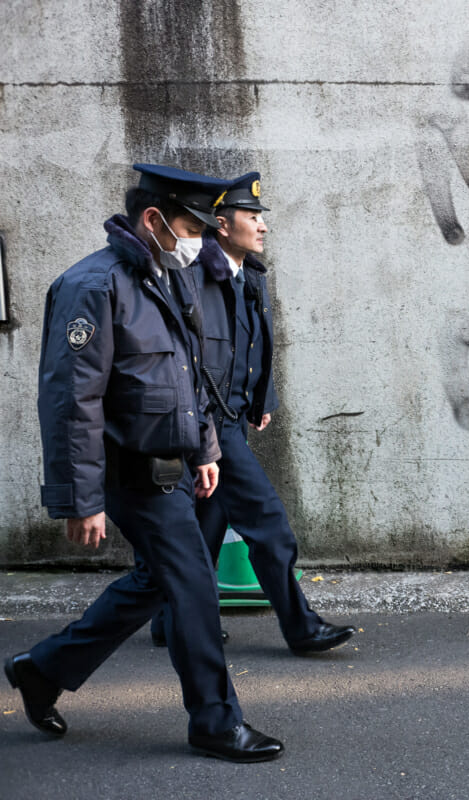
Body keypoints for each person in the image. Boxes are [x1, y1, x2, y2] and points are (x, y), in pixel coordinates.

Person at [3, 164, 283, 763]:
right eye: (191, 227)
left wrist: (205, 450)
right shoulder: (92, 286)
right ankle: (214, 720)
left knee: (157, 582)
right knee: (194, 586)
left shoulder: (168, 277)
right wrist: (81, 500)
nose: (200, 242)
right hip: (129, 472)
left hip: (173, 467)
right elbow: (69, 400)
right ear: (153, 220)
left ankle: (42, 669)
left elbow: (192, 377)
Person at [149, 172, 355, 654]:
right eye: (251, 216)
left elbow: (252, 348)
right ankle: (300, 626)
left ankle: (171, 622)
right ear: (222, 225)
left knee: (202, 530)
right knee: (269, 525)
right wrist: (209, 428)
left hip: (230, 419)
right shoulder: (195, 277)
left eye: (262, 217)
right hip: (209, 426)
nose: (262, 226)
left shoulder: (250, 275)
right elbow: (191, 359)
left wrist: (261, 401)